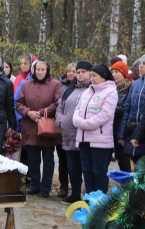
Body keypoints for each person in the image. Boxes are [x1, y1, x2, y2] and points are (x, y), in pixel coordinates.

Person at [15, 61, 61, 197]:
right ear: (33, 70)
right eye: (38, 69)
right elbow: (18, 103)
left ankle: (45, 187)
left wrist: (42, 112)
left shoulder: (55, 84)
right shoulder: (26, 84)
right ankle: (34, 184)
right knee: (33, 158)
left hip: (47, 126)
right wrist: (28, 112)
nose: (40, 72)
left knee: (48, 158)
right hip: (30, 127)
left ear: (47, 71)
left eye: (43, 70)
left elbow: (58, 102)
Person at [73, 64, 118, 194]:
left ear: (103, 76)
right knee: (86, 171)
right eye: (91, 75)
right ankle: (89, 201)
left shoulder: (110, 91)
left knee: (99, 172)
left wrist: (85, 124)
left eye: (94, 76)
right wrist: (78, 121)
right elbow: (77, 109)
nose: (91, 78)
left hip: (100, 141)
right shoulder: (88, 91)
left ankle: (99, 204)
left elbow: (105, 115)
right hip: (84, 139)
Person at [56, 61, 92, 204]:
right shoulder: (70, 89)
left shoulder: (92, 90)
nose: (80, 74)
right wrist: (61, 121)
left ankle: (89, 196)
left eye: (83, 72)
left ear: (90, 73)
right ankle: (75, 194)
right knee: (73, 167)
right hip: (69, 133)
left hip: (86, 134)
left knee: (87, 167)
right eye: (78, 72)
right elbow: (60, 106)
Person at [118, 54, 145, 163]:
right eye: (140, 64)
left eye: (144, 63)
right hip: (133, 132)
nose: (140, 66)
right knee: (137, 167)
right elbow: (127, 110)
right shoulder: (135, 84)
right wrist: (122, 133)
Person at [56, 62, 77, 198]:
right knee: (62, 160)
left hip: (75, 129)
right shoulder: (60, 85)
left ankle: (75, 187)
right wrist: (61, 120)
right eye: (69, 71)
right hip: (62, 128)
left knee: (74, 162)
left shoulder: (82, 87)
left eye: (74, 71)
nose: (71, 74)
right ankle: (63, 186)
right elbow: (58, 104)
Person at [110, 61, 133, 172]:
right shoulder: (109, 88)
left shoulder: (129, 88)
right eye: (112, 72)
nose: (114, 74)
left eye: (117, 72)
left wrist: (108, 109)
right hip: (109, 128)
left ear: (124, 73)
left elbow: (126, 108)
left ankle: (127, 185)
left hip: (122, 128)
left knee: (123, 160)